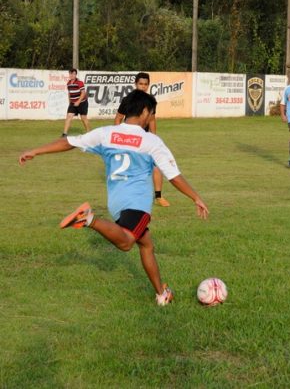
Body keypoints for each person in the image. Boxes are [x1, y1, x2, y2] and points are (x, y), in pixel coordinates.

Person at [19, 90, 209, 306]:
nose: (151, 118)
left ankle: (161, 294)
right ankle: (88, 218)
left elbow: (69, 142)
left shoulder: (106, 134)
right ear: (145, 111)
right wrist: (196, 197)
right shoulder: (151, 141)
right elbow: (173, 176)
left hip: (116, 203)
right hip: (137, 203)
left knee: (146, 244)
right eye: (152, 114)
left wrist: (36, 151)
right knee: (128, 242)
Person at [115, 72, 170, 207]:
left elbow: (151, 119)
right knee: (130, 168)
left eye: (145, 84)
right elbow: (118, 118)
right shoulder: (128, 99)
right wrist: (118, 137)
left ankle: (158, 196)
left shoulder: (150, 101)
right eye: (140, 84)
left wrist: (154, 137)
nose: (143, 87)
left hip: (144, 138)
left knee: (156, 163)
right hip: (129, 139)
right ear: (135, 84)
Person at [62, 68, 90, 137]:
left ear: (75, 75)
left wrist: (78, 101)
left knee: (83, 118)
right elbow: (69, 93)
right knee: (69, 116)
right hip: (73, 103)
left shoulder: (79, 82)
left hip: (82, 102)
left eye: (74, 74)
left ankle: (89, 133)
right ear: (69, 74)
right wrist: (70, 102)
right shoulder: (68, 83)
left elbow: (83, 93)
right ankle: (64, 134)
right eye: (71, 73)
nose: (72, 75)